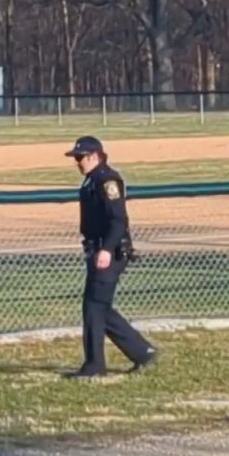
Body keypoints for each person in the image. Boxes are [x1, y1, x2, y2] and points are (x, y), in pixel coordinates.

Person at [63, 136, 158, 378]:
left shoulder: (107, 180)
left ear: (95, 156)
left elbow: (118, 220)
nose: (78, 162)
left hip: (110, 252)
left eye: (81, 157)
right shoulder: (92, 180)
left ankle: (95, 365)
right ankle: (142, 352)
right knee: (98, 307)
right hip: (97, 250)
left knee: (95, 307)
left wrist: (106, 249)